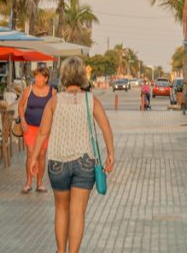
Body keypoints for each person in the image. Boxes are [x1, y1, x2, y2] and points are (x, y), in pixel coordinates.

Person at [28, 57, 114, 253]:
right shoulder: (91, 100)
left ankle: (60, 251)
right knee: (77, 213)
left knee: (61, 209)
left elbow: (42, 132)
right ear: (82, 76)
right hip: (84, 163)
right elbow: (106, 127)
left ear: (64, 76)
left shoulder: (54, 101)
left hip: (58, 162)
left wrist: (33, 158)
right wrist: (111, 153)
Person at [18, 66, 56, 193]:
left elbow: (55, 110)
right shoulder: (29, 90)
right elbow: (21, 105)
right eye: (36, 76)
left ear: (46, 78)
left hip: (45, 129)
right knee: (30, 153)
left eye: (40, 76)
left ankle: (39, 183)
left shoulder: (53, 92)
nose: (37, 79)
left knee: (41, 155)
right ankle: (28, 183)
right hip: (29, 127)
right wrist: (22, 119)